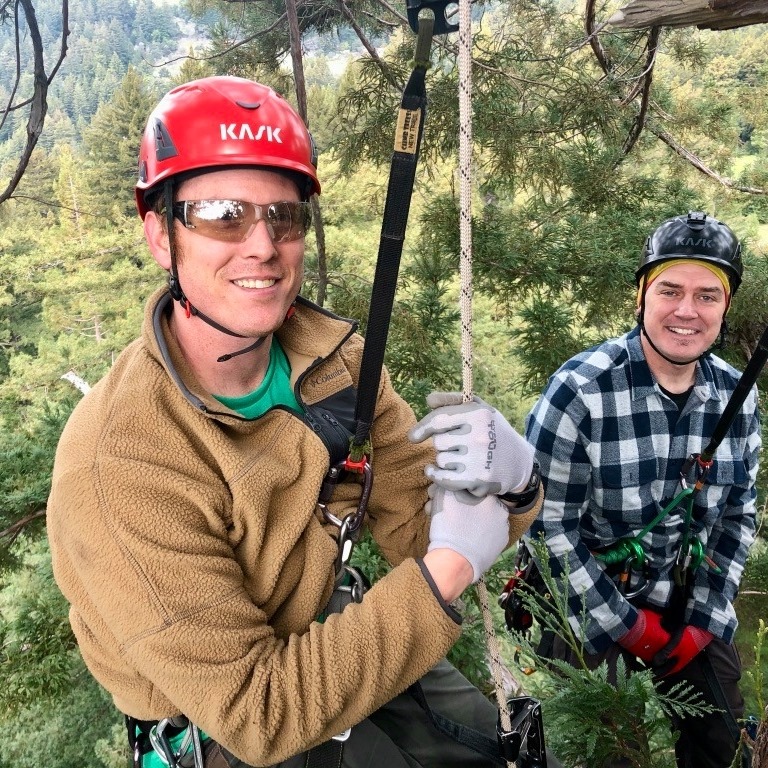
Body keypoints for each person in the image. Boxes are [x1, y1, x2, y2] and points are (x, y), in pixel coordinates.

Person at [46, 75, 544, 768]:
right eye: (222, 214)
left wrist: (515, 487)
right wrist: (448, 570)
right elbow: (260, 711)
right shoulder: (122, 462)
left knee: (491, 751)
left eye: (284, 216)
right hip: (222, 715)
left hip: (322, 624)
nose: (262, 245)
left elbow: (419, 532)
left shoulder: (333, 364)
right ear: (160, 233)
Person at [523, 211, 760, 768]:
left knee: (724, 744)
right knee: (603, 748)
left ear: (724, 309)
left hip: (684, 595)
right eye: (670, 290)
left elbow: (737, 517)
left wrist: (702, 621)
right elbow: (544, 525)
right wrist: (630, 627)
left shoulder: (737, 396)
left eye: (707, 296)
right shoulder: (580, 392)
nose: (686, 311)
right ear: (641, 295)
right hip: (588, 594)